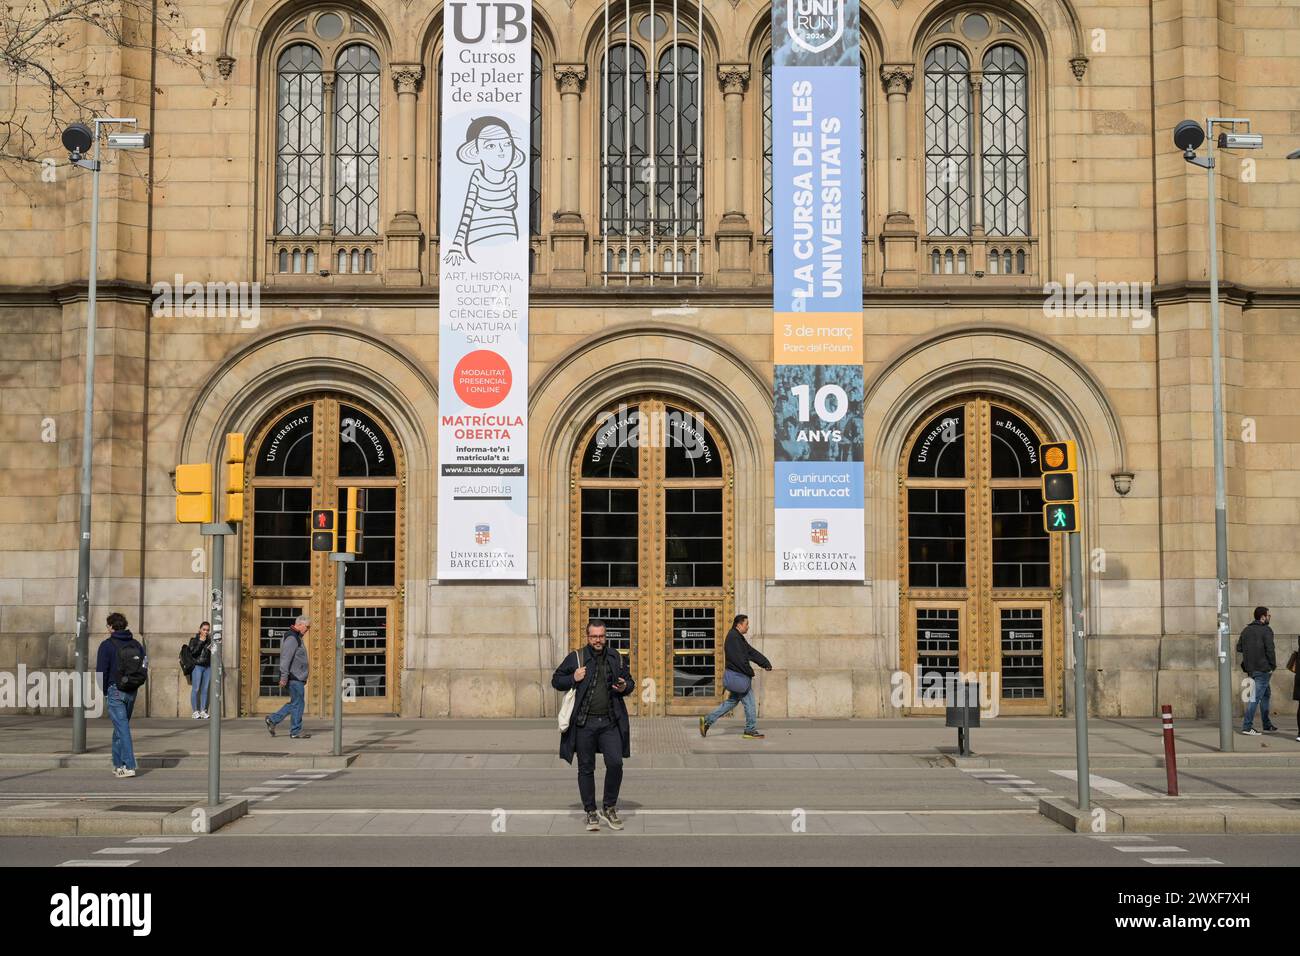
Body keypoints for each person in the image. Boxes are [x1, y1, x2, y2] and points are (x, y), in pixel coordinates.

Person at [551, 620, 636, 831]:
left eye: (601, 636)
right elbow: (556, 680)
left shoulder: (616, 657)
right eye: (594, 636)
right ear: (587, 637)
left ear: (605, 636)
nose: (598, 640)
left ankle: (609, 806)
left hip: (610, 723)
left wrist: (625, 686)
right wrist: (573, 677)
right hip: (584, 724)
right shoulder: (577, 657)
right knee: (586, 768)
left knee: (615, 763)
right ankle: (590, 811)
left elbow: (630, 683)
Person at [699, 614, 772, 740]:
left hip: (738, 677)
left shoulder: (738, 637)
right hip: (739, 677)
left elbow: (751, 652)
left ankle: (707, 720)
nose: (748, 627)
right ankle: (750, 730)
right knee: (750, 704)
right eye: (746, 624)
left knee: (731, 702)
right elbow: (740, 660)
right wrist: (750, 672)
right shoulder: (734, 638)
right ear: (739, 625)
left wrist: (765, 662)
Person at [95, 612, 148, 778]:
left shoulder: (106, 645)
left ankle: (129, 765)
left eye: (107, 626)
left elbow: (100, 672)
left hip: (114, 690)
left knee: (122, 727)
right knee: (120, 727)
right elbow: (144, 665)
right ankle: (118, 764)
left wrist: (104, 690)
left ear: (111, 627)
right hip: (131, 690)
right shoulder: (137, 644)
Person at [266, 616, 311, 739]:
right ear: (300, 624)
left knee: (296, 703)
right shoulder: (292, 638)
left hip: (296, 676)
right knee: (298, 704)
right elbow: (286, 659)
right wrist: (284, 677)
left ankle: (273, 719)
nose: (308, 629)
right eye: (307, 627)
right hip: (294, 677)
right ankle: (295, 731)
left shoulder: (296, 637)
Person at [1238, 606, 1277, 735]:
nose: (1269, 617)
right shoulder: (1266, 630)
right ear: (1262, 617)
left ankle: (1266, 724)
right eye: (1268, 615)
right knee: (1255, 698)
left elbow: (1239, 648)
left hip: (1251, 669)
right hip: (1263, 669)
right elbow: (1270, 650)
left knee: (1265, 694)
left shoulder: (1246, 630)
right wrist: (1272, 666)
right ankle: (1247, 726)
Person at [188, 621, 213, 719]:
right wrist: (201, 642)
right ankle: (195, 711)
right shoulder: (194, 640)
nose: (206, 632)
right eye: (204, 629)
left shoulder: (210, 640)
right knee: (196, 688)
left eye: (207, 630)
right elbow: (193, 652)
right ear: (200, 630)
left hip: (207, 667)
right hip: (197, 666)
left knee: (205, 689)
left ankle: (203, 710)